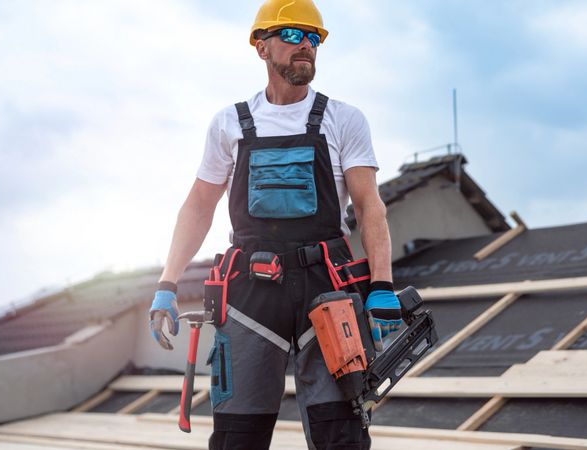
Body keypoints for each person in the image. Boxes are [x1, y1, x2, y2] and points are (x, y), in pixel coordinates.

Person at [148, 1, 402, 448]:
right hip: (250, 292)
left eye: (314, 38)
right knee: (236, 437)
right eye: (292, 35)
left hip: (328, 289)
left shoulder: (344, 119)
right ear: (261, 47)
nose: (306, 45)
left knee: (340, 434)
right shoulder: (230, 123)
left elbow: (369, 206)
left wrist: (381, 285)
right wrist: (167, 283)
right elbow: (198, 207)